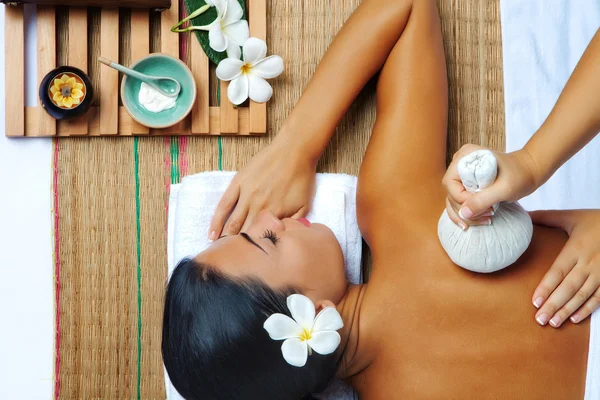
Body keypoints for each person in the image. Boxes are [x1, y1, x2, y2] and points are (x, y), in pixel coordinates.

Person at [162, 0, 600, 398]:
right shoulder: (397, 215)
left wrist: (294, 149)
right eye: (266, 241)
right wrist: (297, 145)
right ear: (315, 316)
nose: (264, 219)